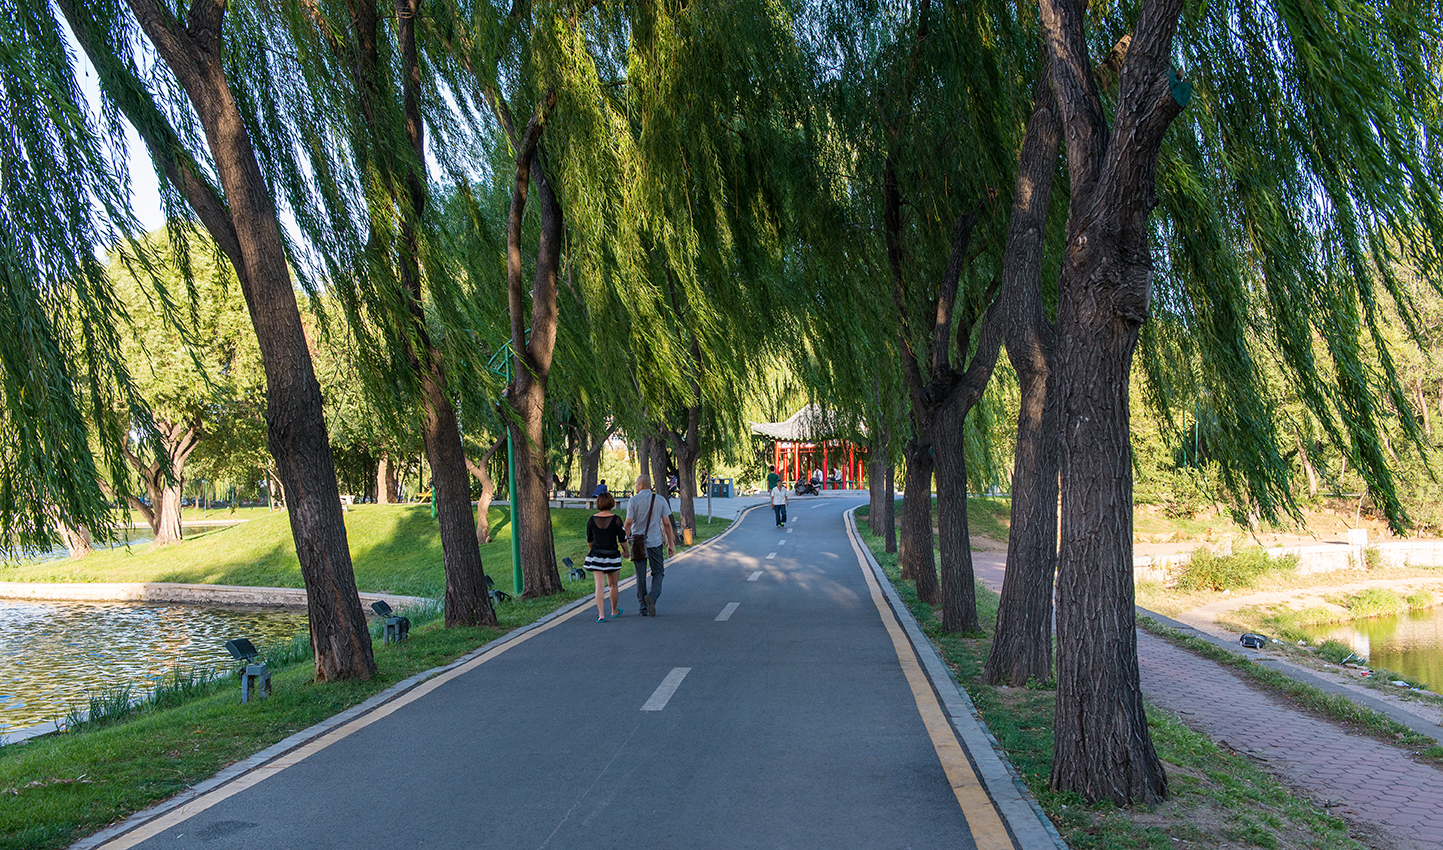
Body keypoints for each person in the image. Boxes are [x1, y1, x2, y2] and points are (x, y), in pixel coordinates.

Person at [624, 474, 675, 617]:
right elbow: (666, 523)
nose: (635, 486)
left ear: (641, 485)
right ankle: (652, 596)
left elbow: (628, 523)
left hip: (637, 544)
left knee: (640, 575)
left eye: (636, 484)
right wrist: (670, 543)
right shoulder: (660, 500)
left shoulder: (633, 501)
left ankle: (642, 607)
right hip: (655, 542)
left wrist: (624, 545)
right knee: (658, 572)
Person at [584, 493, 626, 621]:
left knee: (599, 585)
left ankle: (601, 614)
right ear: (611, 502)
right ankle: (614, 610)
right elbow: (622, 538)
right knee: (613, 585)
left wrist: (591, 550)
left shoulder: (591, 520)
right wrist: (626, 551)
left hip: (597, 555)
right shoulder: (617, 519)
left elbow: (589, 539)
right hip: (612, 555)